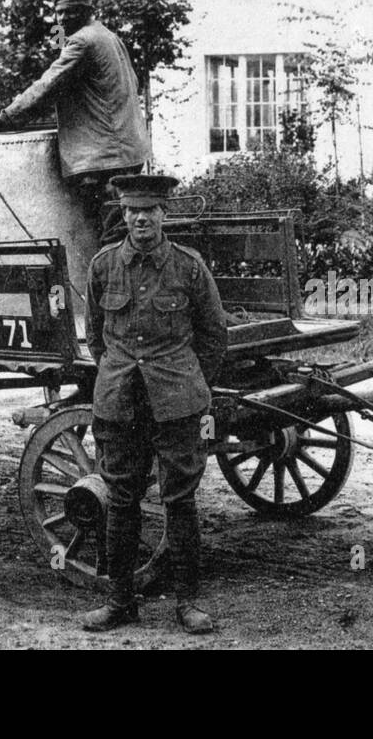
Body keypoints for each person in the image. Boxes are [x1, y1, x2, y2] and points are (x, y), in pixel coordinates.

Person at [83, 174, 227, 634]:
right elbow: (96, 338)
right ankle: (120, 601)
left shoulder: (188, 266)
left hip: (176, 404)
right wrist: (119, 375)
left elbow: (213, 336)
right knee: (122, 501)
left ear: (164, 214)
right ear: (123, 215)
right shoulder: (104, 266)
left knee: (180, 501)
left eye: (149, 211)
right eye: (132, 211)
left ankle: (187, 603)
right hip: (121, 404)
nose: (140, 218)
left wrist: (185, 383)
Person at [0, 0, 150, 243]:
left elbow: (47, 88)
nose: (64, 17)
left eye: (72, 10)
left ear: (87, 9)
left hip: (105, 161)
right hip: (125, 155)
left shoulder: (83, 42)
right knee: (119, 238)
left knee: (111, 243)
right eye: (60, 11)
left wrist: (4, 119)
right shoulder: (108, 36)